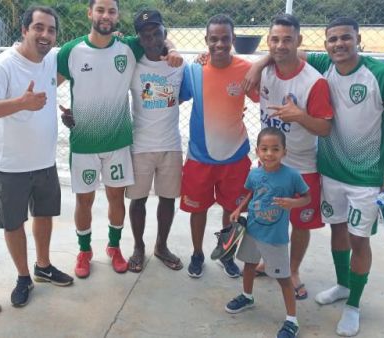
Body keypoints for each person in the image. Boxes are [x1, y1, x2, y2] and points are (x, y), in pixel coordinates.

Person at [56, 0, 181, 278]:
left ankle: (114, 247)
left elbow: (160, 38)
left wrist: (172, 49)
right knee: (84, 201)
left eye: (111, 11)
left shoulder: (130, 47)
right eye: (100, 10)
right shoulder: (70, 51)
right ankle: (84, 251)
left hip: (118, 140)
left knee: (116, 198)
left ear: (117, 16)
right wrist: (60, 113)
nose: (105, 15)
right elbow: (49, 83)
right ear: (89, 13)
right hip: (84, 142)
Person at [308, 17, 384, 336]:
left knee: (359, 239)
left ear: (358, 39)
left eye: (345, 38)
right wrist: (258, 67)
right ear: (325, 44)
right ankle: (342, 285)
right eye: (333, 39)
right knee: (337, 229)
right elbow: (283, 51)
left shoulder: (381, 73)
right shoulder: (321, 63)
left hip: (366, 179)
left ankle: (353, 305)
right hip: (330, 170)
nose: (339, 44)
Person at [0, 6, 73, 308]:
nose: (45, 35)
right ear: (24, 30)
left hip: (44, 160)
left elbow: (88, 46)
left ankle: (43, 266)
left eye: (51, 30)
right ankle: (23, 276)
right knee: (14, 222)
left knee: (44, 215)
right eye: (39, 28)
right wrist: (21, 103)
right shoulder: (4, 64)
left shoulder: (52, 59)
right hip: (11, 164)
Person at [255, 14, 333, 301]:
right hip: (270, 164)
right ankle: (270, 260)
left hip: (302, 167)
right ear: (268, 42)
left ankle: (294, 269)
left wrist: (300, 116)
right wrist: (258, 64)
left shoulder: (315, 82)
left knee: (301, 223)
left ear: (299, 41)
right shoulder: (264, 73)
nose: (280, 45)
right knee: (268, 217)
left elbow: (325, 128)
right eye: (275, 39)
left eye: (288, 39)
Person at [179, 14, 259, 278]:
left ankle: (225, 253)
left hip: (235, 156)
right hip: (200, 157)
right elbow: (172, 96)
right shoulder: (194, 70)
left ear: (233, 39)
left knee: (232, 211)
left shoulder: (246, 69)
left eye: (225, 38)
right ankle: (198, 253)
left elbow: (263, 98)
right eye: (214, 39)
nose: (220, 44)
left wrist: (262, 64)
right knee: (197, 209)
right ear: (206, 41)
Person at [226, 127, 310, 338]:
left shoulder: (291, 176)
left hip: (275, 238)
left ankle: (292, 320)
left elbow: (307, 198)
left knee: (283, 278)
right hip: (253, 231)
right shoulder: (254, 173)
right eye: (264, 149)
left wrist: (294, 202)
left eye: (275, 149)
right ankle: (247, 296)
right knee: (249, 266)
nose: (269, 154)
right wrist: (238, 209)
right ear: (257, 151)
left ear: (284, 152)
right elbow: (251, 193)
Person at [125, 9, 185, 273]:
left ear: (165, 33)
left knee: (168, 199)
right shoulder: (132, 67)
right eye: (145, 35)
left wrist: (173, 49)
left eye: (157, 33)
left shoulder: (180, 64)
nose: (152, 39)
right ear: (139, 39)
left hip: (171, 144)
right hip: (140, 146)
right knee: (137, 200)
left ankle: (161, 245)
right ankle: (139, 247)